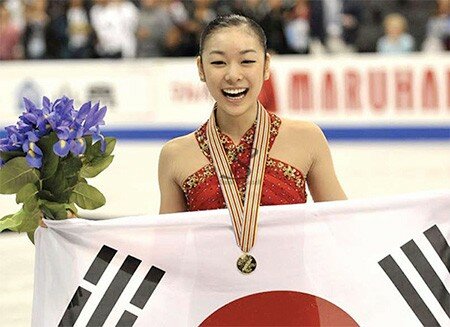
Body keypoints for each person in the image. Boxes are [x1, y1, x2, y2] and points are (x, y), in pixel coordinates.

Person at [158, 14, 346, 214]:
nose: (233, 75)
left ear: (266, 66)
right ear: (201, 69)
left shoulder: (307, 138)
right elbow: (167, 242)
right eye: (218, 63)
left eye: (247, 61)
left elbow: (343, 226)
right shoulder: (175, 155)